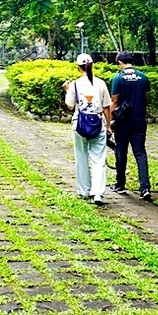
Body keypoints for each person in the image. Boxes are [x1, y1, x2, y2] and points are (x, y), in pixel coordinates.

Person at [63, 54, 112, 204]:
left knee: (81, 157)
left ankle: (84, 190)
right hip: (97, 123)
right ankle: (97, 193)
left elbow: (70, 105)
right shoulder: (100, 83)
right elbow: (106, 107)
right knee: (98, 159)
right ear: (92, 65)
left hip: (79, 124)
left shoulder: (75, 85)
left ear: (78, 67)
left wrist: (66, 89)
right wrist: (108, 126)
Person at [110, 51, 152, 201]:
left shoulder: (118, 78)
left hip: (122, 122)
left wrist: (109, 122)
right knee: (140, 153)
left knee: (121, 152)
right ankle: (145, 188)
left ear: (120, 62)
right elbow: (146, 98)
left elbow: (114, 101)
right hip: (139, 120)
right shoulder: (143, 77)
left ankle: (120, 184)